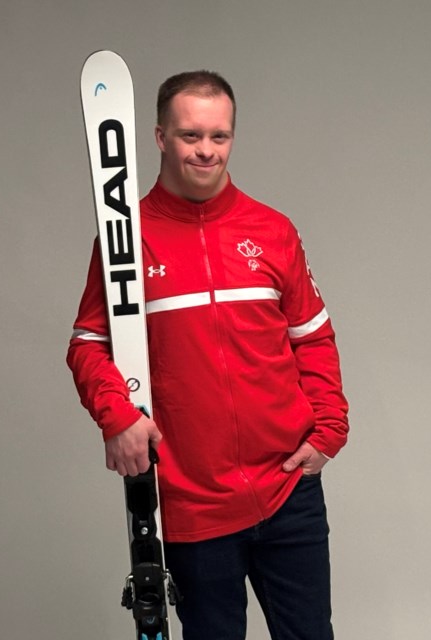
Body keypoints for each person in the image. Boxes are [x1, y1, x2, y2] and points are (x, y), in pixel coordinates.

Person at [68, 70, 349, 640]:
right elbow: (88, 345)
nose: (206, 150)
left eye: (219, 136)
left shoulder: (272, 231)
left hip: (288, 489)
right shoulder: (127, 239)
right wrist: (117, 415)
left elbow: (313, 336)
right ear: (159, 137)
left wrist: (329, 429)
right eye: (190, 135)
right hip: (195, 501)